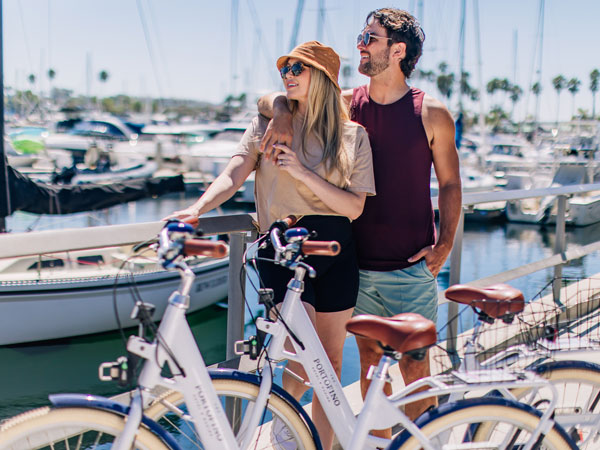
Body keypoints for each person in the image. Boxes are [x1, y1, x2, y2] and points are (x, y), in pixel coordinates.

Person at [258, 7, 462, 435]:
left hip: (412, 268)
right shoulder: (347, 104)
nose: (360, 45)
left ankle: (422, 445)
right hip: (357, 268)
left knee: (416, 370)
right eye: (362, 36)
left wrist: (444, 245)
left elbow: (449, 184)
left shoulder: (432, 113)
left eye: (370, 38)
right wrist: (279, 109)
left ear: (398, 49)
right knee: (371, 371)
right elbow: (282, 96)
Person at [166, 41, 375, 450]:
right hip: (282, 248)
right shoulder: (270, 122)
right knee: (300, 354)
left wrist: (301, 172)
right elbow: (234, 172)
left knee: (329, 364)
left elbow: (353, 208)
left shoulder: (353, 135)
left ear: (325, 78)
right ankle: (288, 430)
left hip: (336, 251)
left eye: (299, 68)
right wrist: (196, 209)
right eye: (286, 68)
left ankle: (319, 444)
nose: (289, 74)